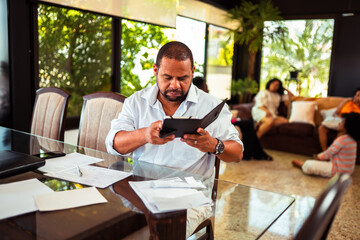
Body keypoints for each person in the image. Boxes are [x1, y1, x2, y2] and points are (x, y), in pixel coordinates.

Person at [106, 41, 243, 180]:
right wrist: (145, 135)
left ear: (193, 71)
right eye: (168, 77)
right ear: (155, 70)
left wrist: (214, 145)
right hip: (143, 190)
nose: (175, 85)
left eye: (182, 78)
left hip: (191, 196)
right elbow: (114, 144)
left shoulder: (212, 105)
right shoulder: (137, 101)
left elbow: (237, 154)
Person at [192, 76, 272, 160]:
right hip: (225, 122)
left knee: (248, 125)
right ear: (199, 88)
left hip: (229, 121)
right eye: (206, 87)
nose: (208, 90)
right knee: (248, 124)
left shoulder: (211, 101)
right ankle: (256, 153)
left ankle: (253, 153)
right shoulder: (202, 105)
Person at [292, 112, 360, 177]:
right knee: (325, 162)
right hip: (348, 171)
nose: (339, 123)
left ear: (348, 126)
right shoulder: (353, 140)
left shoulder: (341, 140)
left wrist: (318, 157)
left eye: (342, 122)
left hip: (337, 170)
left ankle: (302, 164)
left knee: (310, 166)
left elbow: (329, 153)